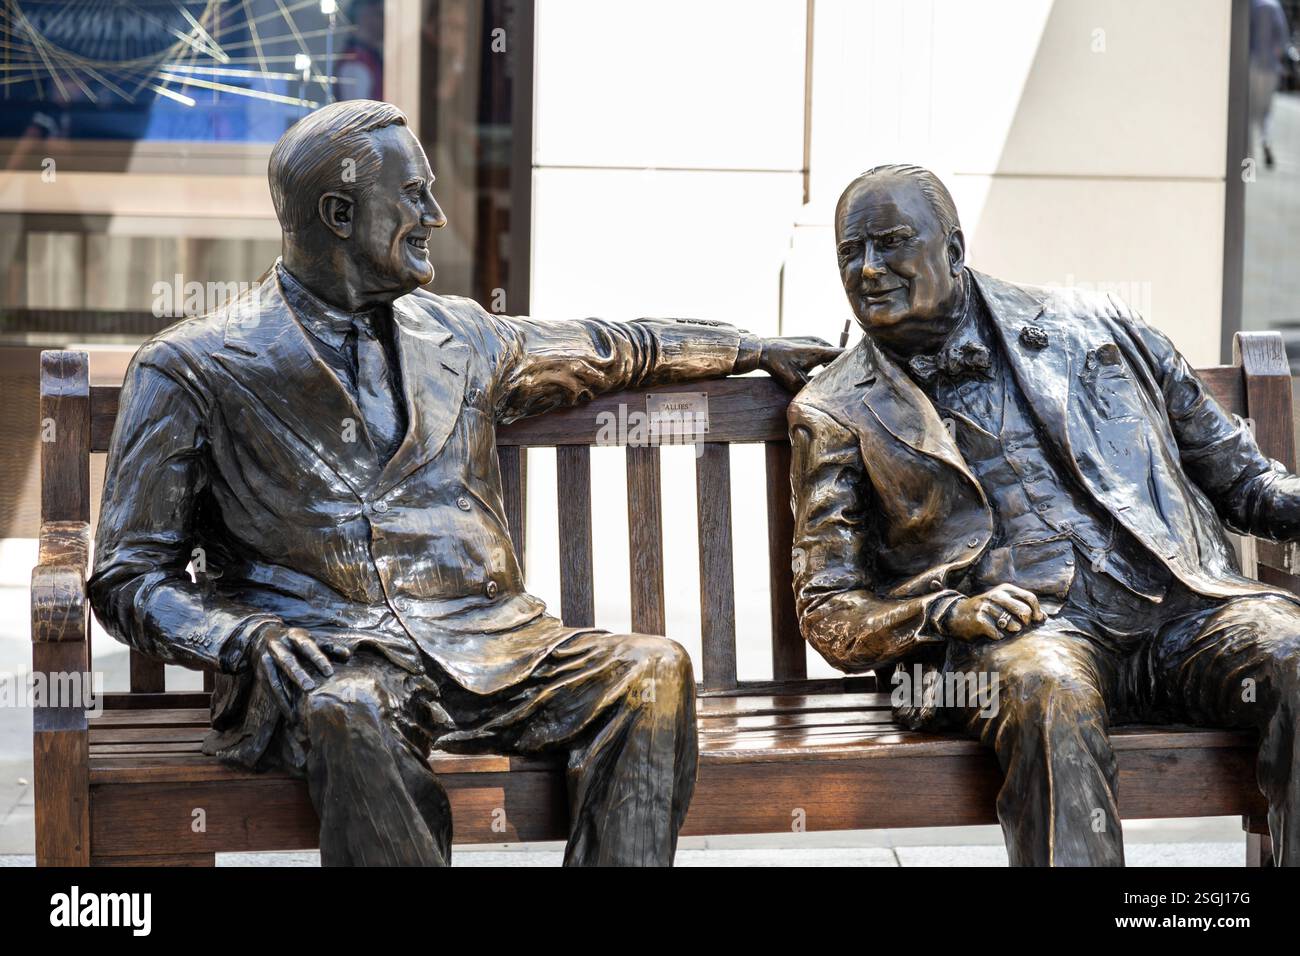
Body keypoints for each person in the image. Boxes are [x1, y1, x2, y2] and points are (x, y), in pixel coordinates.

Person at [89, 99, 838, 866]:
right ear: (340, 212)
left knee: (651, 672)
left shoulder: (463, 334)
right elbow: (126, 575)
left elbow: (615, 349)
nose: (437, 217)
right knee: (352, 710)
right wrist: (240, 636)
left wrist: (747, 346)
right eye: (414, 196)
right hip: (330, 662)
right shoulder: (194, 364)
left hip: (492, 650)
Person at [789, 163, 1300, 865]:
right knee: (1048, 686)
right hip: (1026, 641)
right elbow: (830, 610)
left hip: (1179, 615)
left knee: (1291, 650)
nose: (870, 269)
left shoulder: (1094, 322)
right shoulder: (834, 408)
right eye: (852, 252)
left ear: (954, 250)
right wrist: (945, 616)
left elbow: (1244, 483)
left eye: (892, 243)